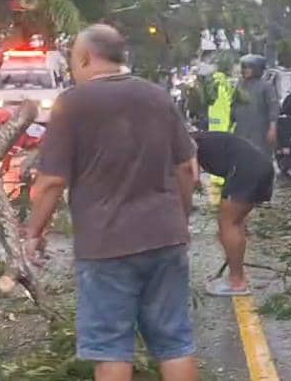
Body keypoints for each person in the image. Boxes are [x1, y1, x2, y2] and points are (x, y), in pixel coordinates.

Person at [26, 25, 198, 381]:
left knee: (111, 348)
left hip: (106, 246)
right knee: (175, 342)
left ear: (86, 57)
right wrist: (179, 217)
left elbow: (52, 182)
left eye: (74, 58)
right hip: (166, 238)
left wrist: (33, 233)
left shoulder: (73, 103)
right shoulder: (158, 96)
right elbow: (187, 169)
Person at [194, 131, 275, 297]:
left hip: (246, 169)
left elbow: (192, 177)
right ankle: (236, 276)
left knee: (227, 223)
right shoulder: (196, 137)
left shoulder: (183, 140)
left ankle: (237, 282)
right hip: (260, 166)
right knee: (234, 222)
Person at [231, 54, 279, 160]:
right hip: (242, 131)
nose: (245, 70)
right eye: (244, 67)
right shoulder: (240, 85)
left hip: (259, 132)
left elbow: (273, 108)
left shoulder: (266, 86)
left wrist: (272, 128)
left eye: (249, 67)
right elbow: (233, 106)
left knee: (260, 159)